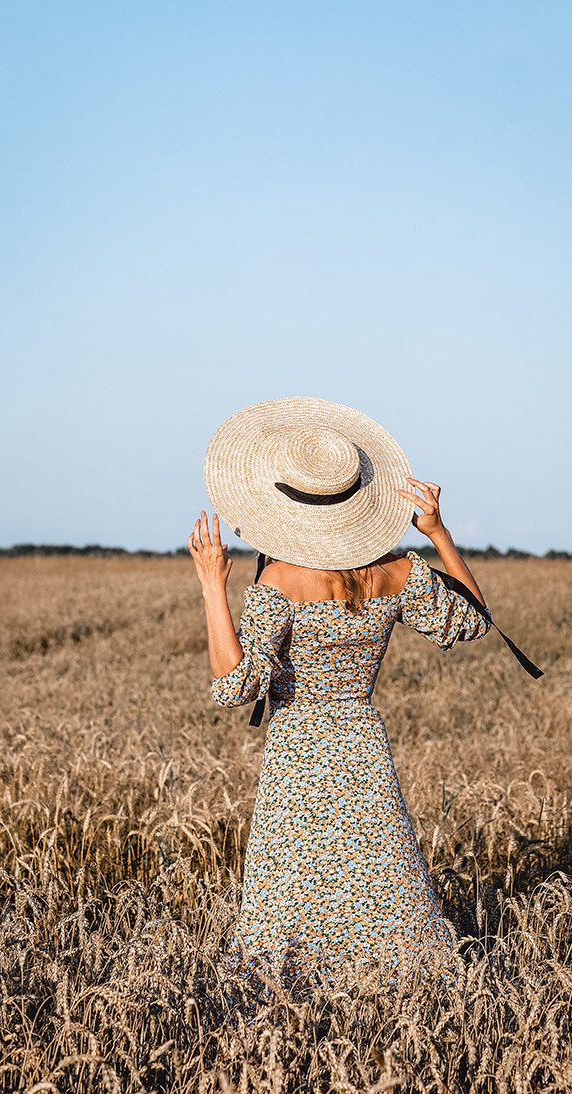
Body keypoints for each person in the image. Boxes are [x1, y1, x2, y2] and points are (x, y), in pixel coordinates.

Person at [188, 397, 491, 997]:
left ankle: (288, 995)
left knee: (290, 890)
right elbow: (474, 620)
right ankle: (401, 992)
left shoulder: (279, 580)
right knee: (382, 883)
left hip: (297, 753)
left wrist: (211, 586)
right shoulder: (395, 572)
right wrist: (438, 532)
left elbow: (235, 687)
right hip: (362, 744)